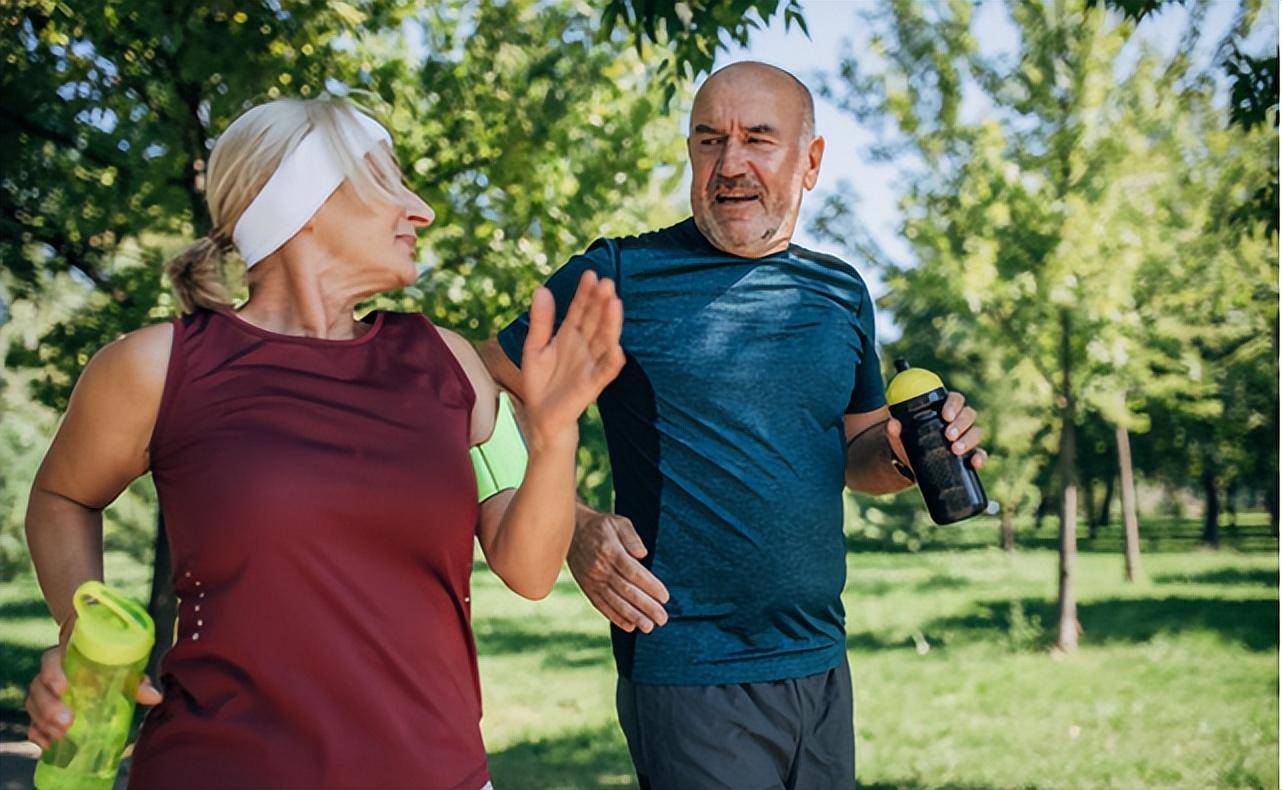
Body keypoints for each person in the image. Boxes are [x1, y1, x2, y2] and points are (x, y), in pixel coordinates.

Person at [22, 96, 624, 789]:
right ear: (303, 202)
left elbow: (529, 568)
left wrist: (553, 437)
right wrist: (83, 633)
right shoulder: (157, 368)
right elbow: (63, 494)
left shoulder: (447, 363)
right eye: (388, 181)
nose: (420, 209)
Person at [478, 62, 987, 789]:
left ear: (810, 160)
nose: (731, 165)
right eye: (710, 140)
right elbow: (480, 383)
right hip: (688, 666)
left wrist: (907, 454)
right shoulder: (619, 275)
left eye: (758, 139)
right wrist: (575, 523)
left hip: (819, 661)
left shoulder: (842, 291)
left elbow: (859, 453)